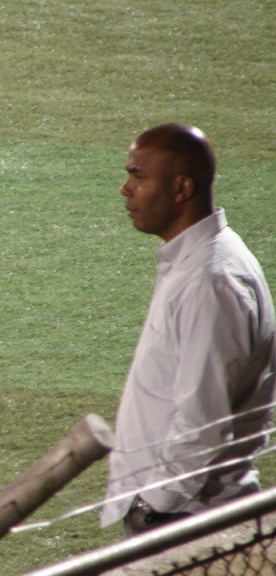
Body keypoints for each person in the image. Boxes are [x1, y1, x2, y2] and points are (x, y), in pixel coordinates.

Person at [100, 123, 276, 537]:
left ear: (181, 189)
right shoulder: (195, 262)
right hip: (183, 514)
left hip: (188, 521)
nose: (125, 189)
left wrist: (156, 506)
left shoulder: (211, 281)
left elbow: (203, 419)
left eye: (138, 175)